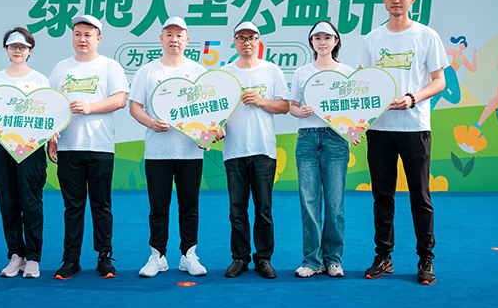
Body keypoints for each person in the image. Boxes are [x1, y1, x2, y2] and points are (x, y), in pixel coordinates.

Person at [358, 0, 447, 285]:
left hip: (415, 127)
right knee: (382, 195)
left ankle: (426, 258)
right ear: (384, 0)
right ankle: (384, 256)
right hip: (380, 129)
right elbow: (363, 82)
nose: (396, 0)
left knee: (420, 195)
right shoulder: (372, 39)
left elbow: (439, 81)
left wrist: (413, 98)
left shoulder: (426, 35)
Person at [47, 14, 129, 279]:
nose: (82, 39)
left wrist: (90, 107)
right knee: (72, 207)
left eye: (88, 35)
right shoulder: (61, 68)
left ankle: (104, 257)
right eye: (77, 34)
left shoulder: (109, 66)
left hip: (100, 147)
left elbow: (120, 100)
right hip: (68, 147)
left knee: (101, 205)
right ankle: (71, 260)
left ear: (98, 38)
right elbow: (49, 105)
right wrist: (51, 136)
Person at [129, 16, 209, 278]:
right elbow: (134, 106)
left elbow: (209, 109)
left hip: (190, 151)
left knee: (189, 207)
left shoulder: (198, 71)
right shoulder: (148, 71)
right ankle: (158, 257)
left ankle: (188, 255)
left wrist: (211, 131)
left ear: (187, 40)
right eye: (169, 34)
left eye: (179, 35)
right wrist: (151, 123)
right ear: (161, 38)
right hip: (157, 152)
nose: (174, 40)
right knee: (158, 207)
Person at [0, 27, 50, 279]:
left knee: (31, 202)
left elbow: (48, 114)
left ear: (30, 50)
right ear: (6, 49)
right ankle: (16, 255)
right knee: (8, 201)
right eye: (13, 46)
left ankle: (33, 258)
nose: (18, 50)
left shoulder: (40, 80)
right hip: (2, 148)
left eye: (22, 46)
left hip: (31, 149)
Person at [221, 21, 289, 279]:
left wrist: (261, 101)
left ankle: (263, 258)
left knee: (263, 208)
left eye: (251, 37)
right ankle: (239, 258)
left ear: (259, 41)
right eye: (241, 37)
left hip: (263, 149)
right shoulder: (225, 73)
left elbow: (284, 106)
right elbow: (216, 111)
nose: (246, 42)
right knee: (236, 209)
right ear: (234, 42)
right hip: (234, 150)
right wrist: (217, 126)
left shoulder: (271, 70)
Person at [289, 21, 354, 278]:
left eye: (327, 37)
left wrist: (354, 131)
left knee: (335, 204)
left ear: (336, 41)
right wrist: (300, 111)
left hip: (335, 138)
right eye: (317, 38)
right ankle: (312, 261)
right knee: (309, 203)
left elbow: (353, 108)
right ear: (311, 42)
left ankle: (333, 260)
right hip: (307, 138)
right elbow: (292, 106)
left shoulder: (346, 72)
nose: (322, 42)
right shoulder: (302, 72)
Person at [430, 35, 477, 112]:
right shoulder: (456, 53)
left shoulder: (463, 58)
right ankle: (439, 90)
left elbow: (472, 68)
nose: (462, 45)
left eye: (463, 45)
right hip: (449, 71)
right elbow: (444, 49)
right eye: (461, 43)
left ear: (465, 47)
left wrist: (475, 54)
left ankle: (429, 107)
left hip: (451, 73)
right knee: (455, 98)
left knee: (440, 96)